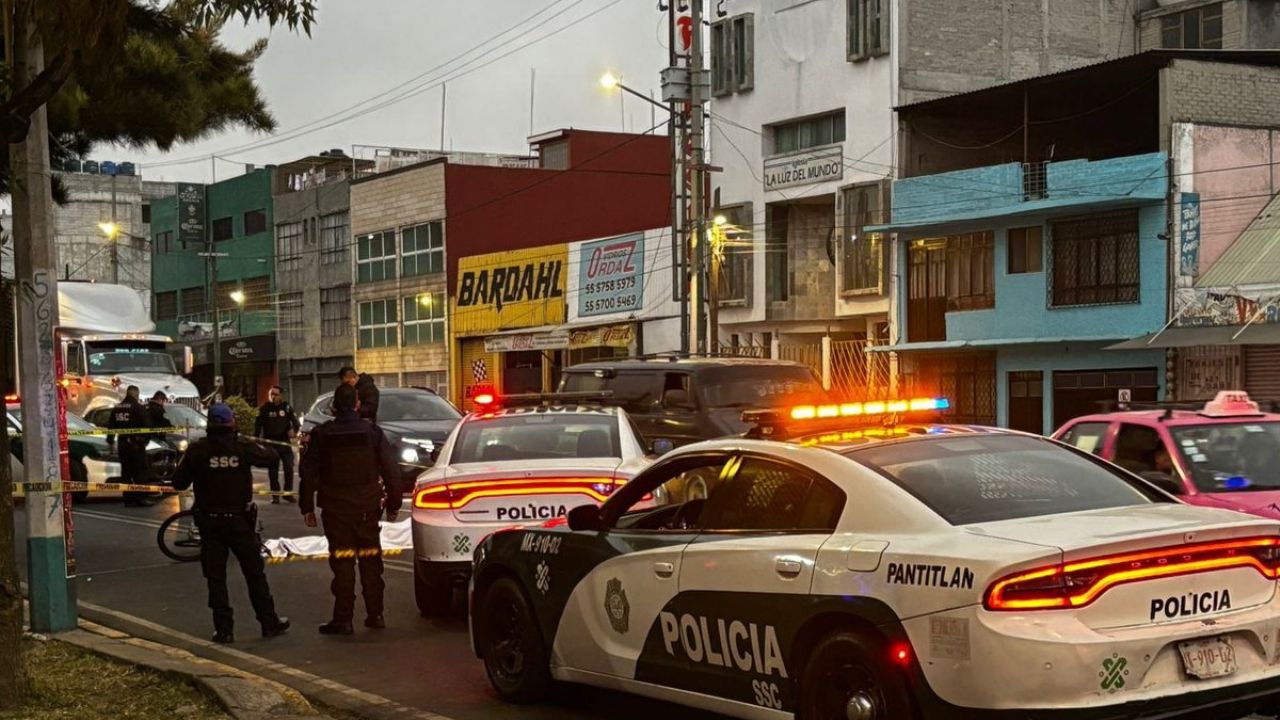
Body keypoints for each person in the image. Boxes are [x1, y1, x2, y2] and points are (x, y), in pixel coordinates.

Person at [172, 403, 290, 644]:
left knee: (216, 578)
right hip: (239, 522)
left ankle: (224, 630)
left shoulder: (197, 450)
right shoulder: (242, 447)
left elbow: (178, 483)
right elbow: (271, 456)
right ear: (231, 423)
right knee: (254, 574)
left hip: (210, 522)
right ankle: (268, 622)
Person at [299, 384, 400, 635]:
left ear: (334, 406)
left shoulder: (323, 434)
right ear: (357, 404)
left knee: (343, 564)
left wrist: (306, 507)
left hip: (336, 510)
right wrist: (394, 505)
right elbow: (391, 470)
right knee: (370, 562)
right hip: (367, 508)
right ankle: (375, 615)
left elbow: (308, 473)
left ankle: (343, 619)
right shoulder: (372, 432)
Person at [107, 385, 153, 507]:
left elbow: (111, 427)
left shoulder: (117, 408)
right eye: (137, 395)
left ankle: (128, 498)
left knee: (126, 473)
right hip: (136, 444)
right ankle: (141, 498)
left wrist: (110, 441)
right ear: (134, 394)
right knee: (141, 471)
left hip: (122, 444)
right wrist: (146, 440)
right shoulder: (138, 408)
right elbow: (147, 426)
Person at [255, 386, 301, 505]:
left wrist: (294, 431)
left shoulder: (286, 407)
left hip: (284, 443)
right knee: (273, 471)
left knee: (289, 467)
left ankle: (288, 493)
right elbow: (258, 425)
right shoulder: (265, 408)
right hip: (270, 443)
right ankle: (275, 495)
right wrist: (256, 439)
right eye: (271, 394)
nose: (273, 397)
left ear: (280, 395)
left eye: (276, 394)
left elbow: (295, 422)